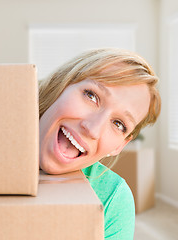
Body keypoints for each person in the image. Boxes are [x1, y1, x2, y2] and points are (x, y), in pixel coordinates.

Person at [38, 48, 161, 239]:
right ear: (60, 85)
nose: (93, 129)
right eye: (91, 96)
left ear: (119, 145)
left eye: (118, 124)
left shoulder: (112, 199)